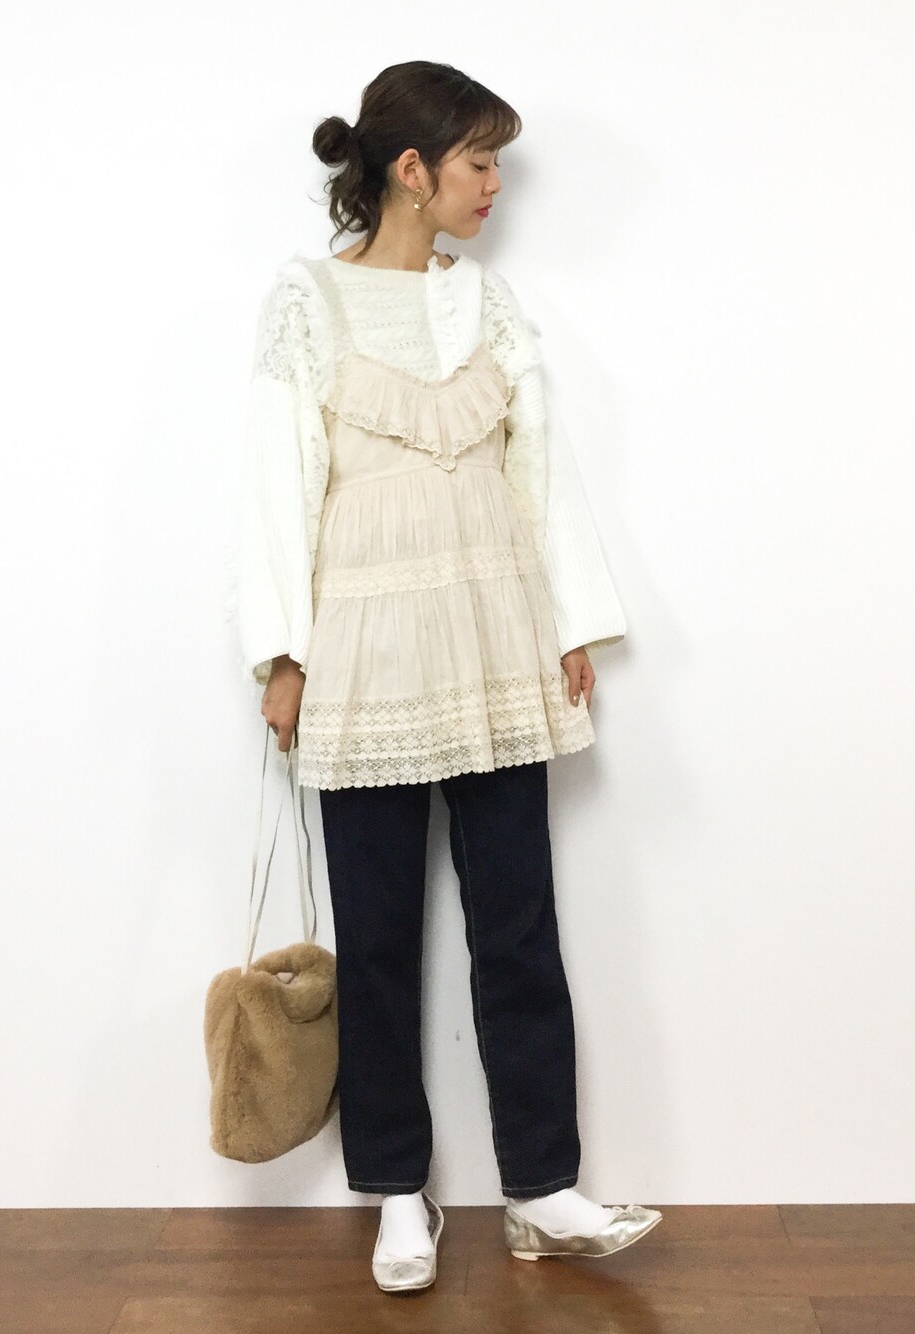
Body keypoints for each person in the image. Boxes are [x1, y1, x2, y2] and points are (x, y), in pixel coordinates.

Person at [233, 59, 662, 1293]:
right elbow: (274, 480)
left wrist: (568, 621)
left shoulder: (486, 303)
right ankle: (396, 1188)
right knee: (375, 938)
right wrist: (282, 653)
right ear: (411, 168)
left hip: (491, 639)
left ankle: (542, 1186)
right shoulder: (308, 301)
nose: (494, 186)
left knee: (518, 922)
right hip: (364, 651)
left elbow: (540, 466)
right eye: (480, 162)